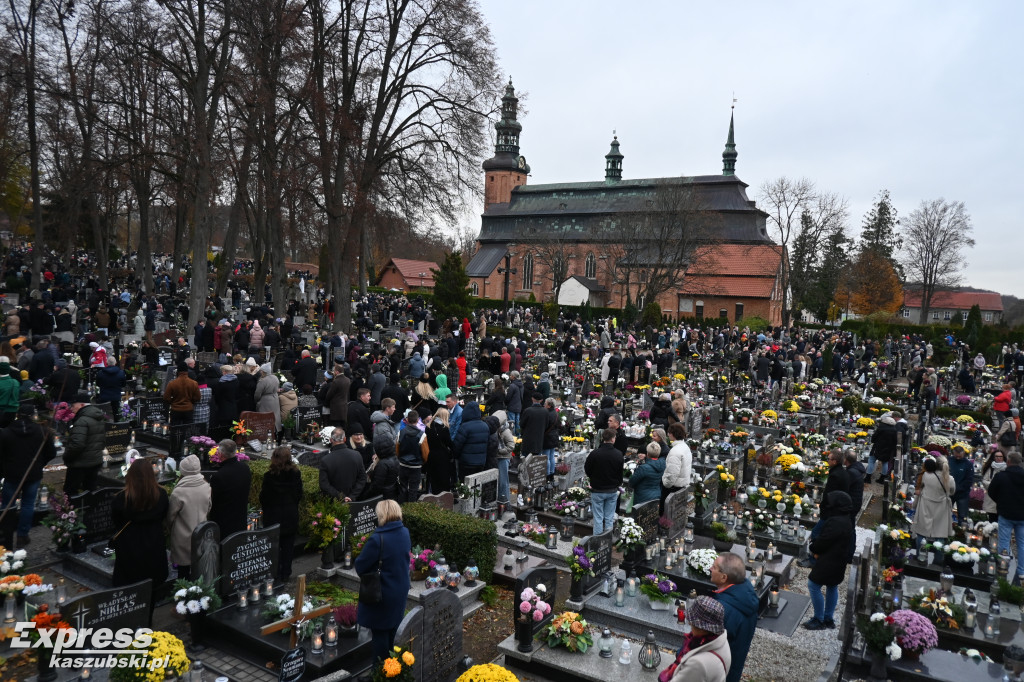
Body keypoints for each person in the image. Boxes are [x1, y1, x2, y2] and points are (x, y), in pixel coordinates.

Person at [355, 499, 412, 664]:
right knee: (393, 632)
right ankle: (394, 670)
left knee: (380, 635)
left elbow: (360, 566)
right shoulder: (404, 532)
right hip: (399, 590)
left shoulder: (377, 539)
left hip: (382, 593)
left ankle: (380, 673)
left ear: (381, 515)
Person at [0, 404, 55, 547]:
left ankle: (6, 537)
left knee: (8, 505)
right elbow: (51, 453)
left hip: (12, 474)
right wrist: (40, 464)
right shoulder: (42, 431)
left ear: (17, 415)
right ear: (33, 416)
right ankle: (22, 535)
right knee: (28, 504)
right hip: (33, 474)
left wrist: (4, 470)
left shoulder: (6, 432)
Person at [111, 459, 170, 589]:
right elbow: (163, 515)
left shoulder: (122, 498)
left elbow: (116, 521)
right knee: (151, 587)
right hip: (153, 542)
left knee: (129, 587)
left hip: (129, 545)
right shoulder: (161, 494)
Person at [802, 490, 854, 630]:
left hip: (829, 560)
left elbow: (823, 542)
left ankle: (819, 619)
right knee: (832, 586)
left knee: (813, 585)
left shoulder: (835, 522)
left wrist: (813, 547)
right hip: (839, 560)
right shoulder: (846, 519)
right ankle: (828, 618)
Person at [711, 552, 759, 682]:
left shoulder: (723, 609)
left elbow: (703, 643)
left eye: (714, 567)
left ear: (723, 577)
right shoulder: (747, 597)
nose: (710, 568)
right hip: (733, 668)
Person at [662, 596, 731, 682]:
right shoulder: (722, 641)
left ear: (701, 628)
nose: (690, 623)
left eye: (691, 621)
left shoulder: (697, 664)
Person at [260, 446, 303, 581]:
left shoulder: (269, 476)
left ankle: (276, 572)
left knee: (275, 546)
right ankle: (286, 572)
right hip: (290, 514)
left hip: (273, 516)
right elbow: (298, 494)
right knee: (288, 546)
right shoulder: (296, 474)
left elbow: (263, 498)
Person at [166, 455, 211, 581]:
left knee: (183, 570)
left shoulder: (179, 491)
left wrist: (171, 529)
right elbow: (209, 507)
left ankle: (183, 594)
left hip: (182, 535)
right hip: (201, 531)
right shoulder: (206, 486)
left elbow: (170, 516)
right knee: (199, 566)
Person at [987, 450, 1024, 583]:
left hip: (1006, 513)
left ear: (1008, 462)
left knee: (1004, 541)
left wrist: (1001, 502)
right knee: (1022, 543)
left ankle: (1003, 567)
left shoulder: (1002, 476)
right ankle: (1022, 572)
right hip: (1022, 515)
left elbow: (991, 491)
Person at [63, 394, 107, 495]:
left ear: (82, 405)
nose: (71, 408)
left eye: (73, 405)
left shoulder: (82, 421)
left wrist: (67, 456)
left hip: (80, 463)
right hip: (95, 461)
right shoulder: (98, 417)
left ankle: (71, 510)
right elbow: (102, 441)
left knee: (70, 493)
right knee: (90, 491)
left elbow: (77, 444)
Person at [208, 439, 252, 538]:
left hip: (223, 524)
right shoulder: (245, 468)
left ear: (219, 454)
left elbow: (213, 501)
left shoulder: (219, 476)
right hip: (240, 519)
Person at [585, 428, 623, 535]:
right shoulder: (618, 454)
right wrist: (617, 483)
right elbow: (620, 473)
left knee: (598, 517)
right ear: (612, 439)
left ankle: (597, 540)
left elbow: (587, 468)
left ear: (603, 438)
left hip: (597, 489)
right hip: (611, 490)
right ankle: (607, 540)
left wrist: (593, 478)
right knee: (609, 517)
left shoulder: (595, 453)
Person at [911, 456, 954, 551]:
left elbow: (922, 487)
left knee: (921, 532)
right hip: (942, 508)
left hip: (925, 505)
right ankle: (938, 560)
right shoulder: (950, 479)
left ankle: (919, 554)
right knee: (940, 534)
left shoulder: (927, 475)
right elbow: (952, 492)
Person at [319, 427, 366, 502]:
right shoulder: (357, 455)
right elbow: (362, 478)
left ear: (331, 440)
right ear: (344, 439)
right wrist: (352, 496)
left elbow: (324, 484)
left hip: (334, 502)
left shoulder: (325, 460)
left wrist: (341, 497)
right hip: (354, 500)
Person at [397, 410, 429, 501]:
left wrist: (400, 458)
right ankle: (411, 510)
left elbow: (397, 449)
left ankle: (401, 508)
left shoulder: (401, 432)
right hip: (416, 466)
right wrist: (422, 462)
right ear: (418, 420)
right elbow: (426, 453)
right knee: (413, 490)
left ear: (407, 420)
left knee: (403, 488)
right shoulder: (422, 435)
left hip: (403, 464)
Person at [661, 422, 692, 514]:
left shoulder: (675, 451)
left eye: (669, 433)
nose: (668, 434)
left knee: (666, 513)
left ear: (673, 434)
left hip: (674, 487)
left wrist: (666, 484)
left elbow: (672, 473)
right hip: (682, 484)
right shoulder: (685, 447)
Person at [452, 402, 488, 479]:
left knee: (465, 486)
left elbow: (457, 445)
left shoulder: (465, 427)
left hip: (466, 463)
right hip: (481, 462)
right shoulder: (485, 426)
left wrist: (455, 456)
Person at [424, 407, 454, 494]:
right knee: (443, 478)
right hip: (442, 456)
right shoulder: (444, 428)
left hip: (431, 455)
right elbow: (449, 443)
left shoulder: (429, 427)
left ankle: (433, 496)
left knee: (433, 478)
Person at [866, 414, 898, 484]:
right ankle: (882, 478)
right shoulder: (894, 430)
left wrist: (873, 440)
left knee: (871, 460)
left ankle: (868, 478)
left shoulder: (881, 428)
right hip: (888, 449)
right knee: (885, 462)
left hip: (877, 447)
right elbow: (895, 441)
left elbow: (874, 438)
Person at [492, 410, 516, 503]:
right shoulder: (498, 430)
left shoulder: (505, 431)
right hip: (498, 457)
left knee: (503, 480)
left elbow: (511, 445)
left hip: (503, 458)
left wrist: (500, 451)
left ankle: (505, 500)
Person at [948, 444, 974, 525]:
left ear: (963, 453)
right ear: (953, 453)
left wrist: (958, 488)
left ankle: (961, 533)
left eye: (960, 456)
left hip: (962, 494)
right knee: (945, 514)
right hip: (949, 492)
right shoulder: (948, 461)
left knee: (962, 517)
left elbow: (969, 480)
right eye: (956, 455)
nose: (958, 457)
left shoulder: (968, 464)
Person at [982, 448, 1008, 522]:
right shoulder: (990, 468)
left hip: (1002, 499)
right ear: (993, 457)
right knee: (991, 520)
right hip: (991, 498)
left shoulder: (1007, 468)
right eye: (996, 456)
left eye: (1000, 456)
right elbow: (984, 481)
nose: (998, 458)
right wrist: (994, 485)